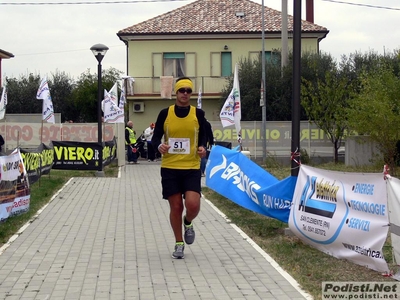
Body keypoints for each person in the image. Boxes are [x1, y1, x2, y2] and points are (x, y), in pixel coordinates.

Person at [152, 77, 207, 259]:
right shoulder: (165, 113)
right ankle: (178, 243)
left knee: (193, 205)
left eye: (188, 91)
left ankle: (188, 222)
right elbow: (155, 138)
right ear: (176, 92)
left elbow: (206, 136)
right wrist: (159, 146)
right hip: (170, 167)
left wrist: (203, 148)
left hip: (191, 166)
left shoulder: (198, 114)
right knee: (176, 206)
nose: (185, 94)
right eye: (181, 90)